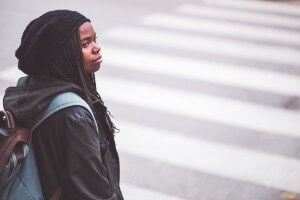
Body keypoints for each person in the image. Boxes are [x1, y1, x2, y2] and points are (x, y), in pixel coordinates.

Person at [3, 10, 123, 200]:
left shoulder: (32, 88)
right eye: (85, 44)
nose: (96, 48)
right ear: (61, 55)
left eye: (94, 39)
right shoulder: (74, 114)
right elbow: (90, 191)